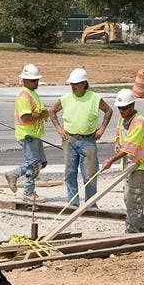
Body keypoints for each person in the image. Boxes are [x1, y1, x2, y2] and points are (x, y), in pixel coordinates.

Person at [48, 67, 113, 207]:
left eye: (76, 84)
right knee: (70, 173)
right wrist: (59, 128)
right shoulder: (66, 98)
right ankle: (73, 204)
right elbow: (52, 111)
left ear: (84, 83)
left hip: (88, 140)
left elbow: (108, 111)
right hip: (69, 140)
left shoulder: (94, 98)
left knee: (89, 174)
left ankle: (90, 204)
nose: (73, 87)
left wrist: (102, 128)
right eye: (71, 84)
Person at [101, 89, 144, 233]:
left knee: (134, 197)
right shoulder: (123, 119)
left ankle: (133, 230)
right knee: (128, 196)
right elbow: (120, 136)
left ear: (132, 105)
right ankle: (136, 226)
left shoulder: (140, 122)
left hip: (141, 164)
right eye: (120, 109)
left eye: (125, 108)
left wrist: (111, 160)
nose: (122, 111)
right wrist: (116, 143)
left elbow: (129, 148)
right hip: (129, 163)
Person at [5, 64, 48, 202]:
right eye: (33, 80)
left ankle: (14, 174)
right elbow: (25, 117)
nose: (36, 83)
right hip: (27, 135)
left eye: (37, 80)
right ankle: (28, 192)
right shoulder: (24, 96)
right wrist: (41, 115)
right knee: (33, 163)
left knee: (41, 162)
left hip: (34, 134)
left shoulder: (32, 93)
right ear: (24, 80)